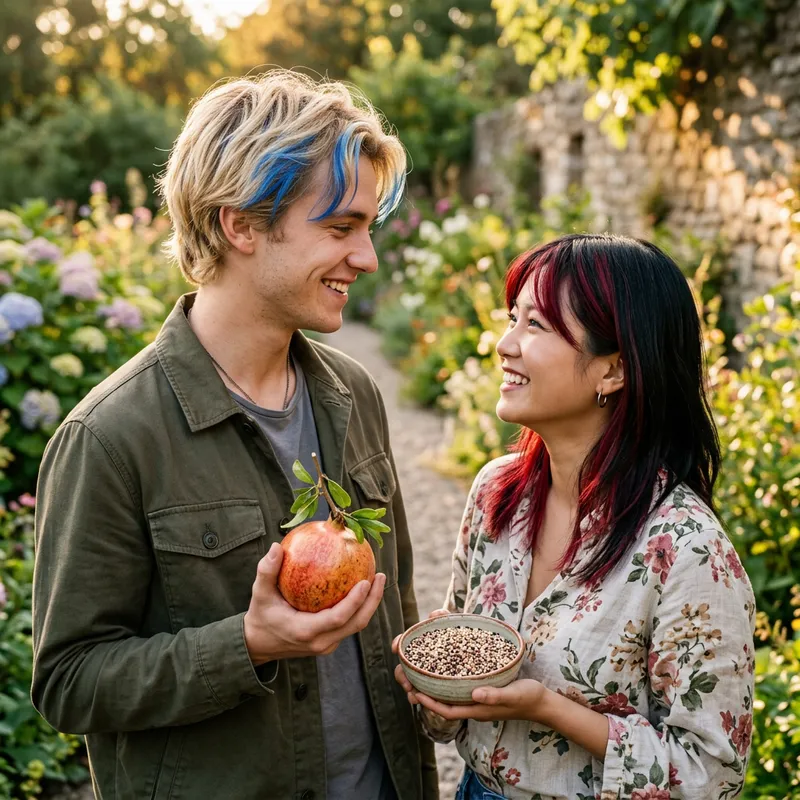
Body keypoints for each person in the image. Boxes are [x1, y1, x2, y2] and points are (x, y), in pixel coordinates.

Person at [32, 70, 439, 800]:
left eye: (368, 230)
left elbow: (396, 604)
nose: (367, 258)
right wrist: (246, 644)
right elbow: (69, 682)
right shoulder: (111, 435)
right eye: (341, 228)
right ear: (241, 224)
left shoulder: (357, 396)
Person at [394, 234, 756, 799]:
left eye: (535, 325)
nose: (504, 344)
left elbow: (711, 776)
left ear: (612, 370)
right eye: (511, 319)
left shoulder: (686, 550)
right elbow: (453, 703)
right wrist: (434, 688)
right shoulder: (496, 493)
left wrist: (549, 709)